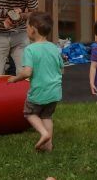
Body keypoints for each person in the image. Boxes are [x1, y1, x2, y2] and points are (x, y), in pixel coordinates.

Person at [8, 11, 62, 151]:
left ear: (33, 29)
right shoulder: (54, 47)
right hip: (55, 91)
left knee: (30, 113)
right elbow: (62, 69)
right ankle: (48, 146)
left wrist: (15, 79)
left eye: (26, 27)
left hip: (39, 91)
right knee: (46, 116)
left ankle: (44, 133)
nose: (26, 30)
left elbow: (27, 72)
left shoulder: (30, 49)